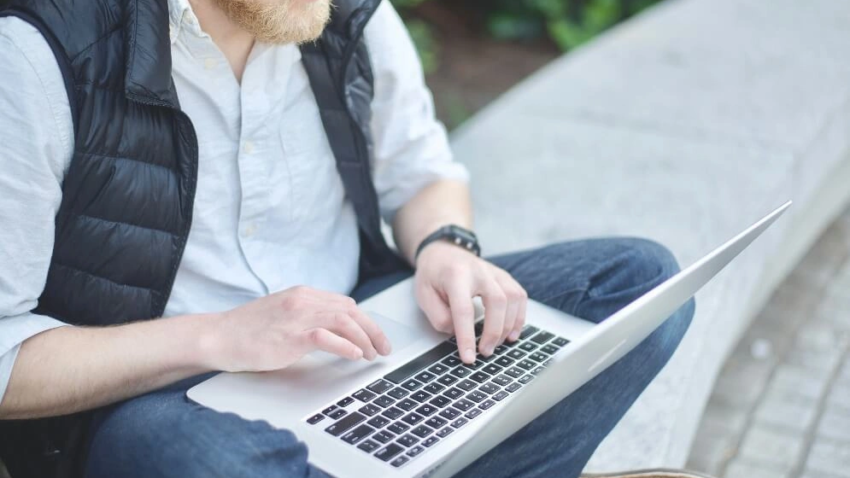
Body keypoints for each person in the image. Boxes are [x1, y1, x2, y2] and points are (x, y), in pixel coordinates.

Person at [0, 0, 695, 477]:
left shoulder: (346, 13)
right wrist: (218, 337)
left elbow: (423, 175)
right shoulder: (37, 55)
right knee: (203, 463)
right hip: (164, 390)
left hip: (362, 334)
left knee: (642, 286)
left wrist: (447, 246)